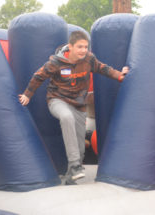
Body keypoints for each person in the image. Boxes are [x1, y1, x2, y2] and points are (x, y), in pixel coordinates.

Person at [19, 30, 129, 184]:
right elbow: (38, 76)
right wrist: (27, 95)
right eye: (80, 47)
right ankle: (75, 165)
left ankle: (71, 176)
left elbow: (103, 68)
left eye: (86, 47)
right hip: (57, 100)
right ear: (70, 47)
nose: (84, 50)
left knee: (80, 147)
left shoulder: (89, 59)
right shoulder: (56, 62)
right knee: (66, 117)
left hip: (79, 104)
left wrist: (120, 76)